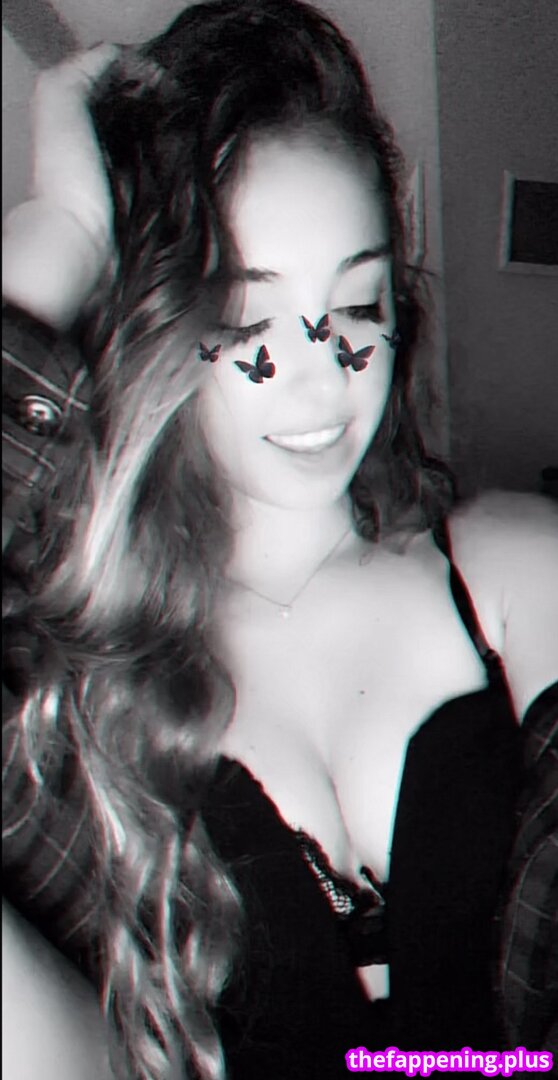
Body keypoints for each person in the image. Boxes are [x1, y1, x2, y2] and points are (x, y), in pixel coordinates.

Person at [2, 2, 557, 1078]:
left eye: (357, 303)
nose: (319, 377)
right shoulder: (79, 681)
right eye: (246, 319)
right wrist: (56, 235)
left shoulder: (518, 571)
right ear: (158, 325)